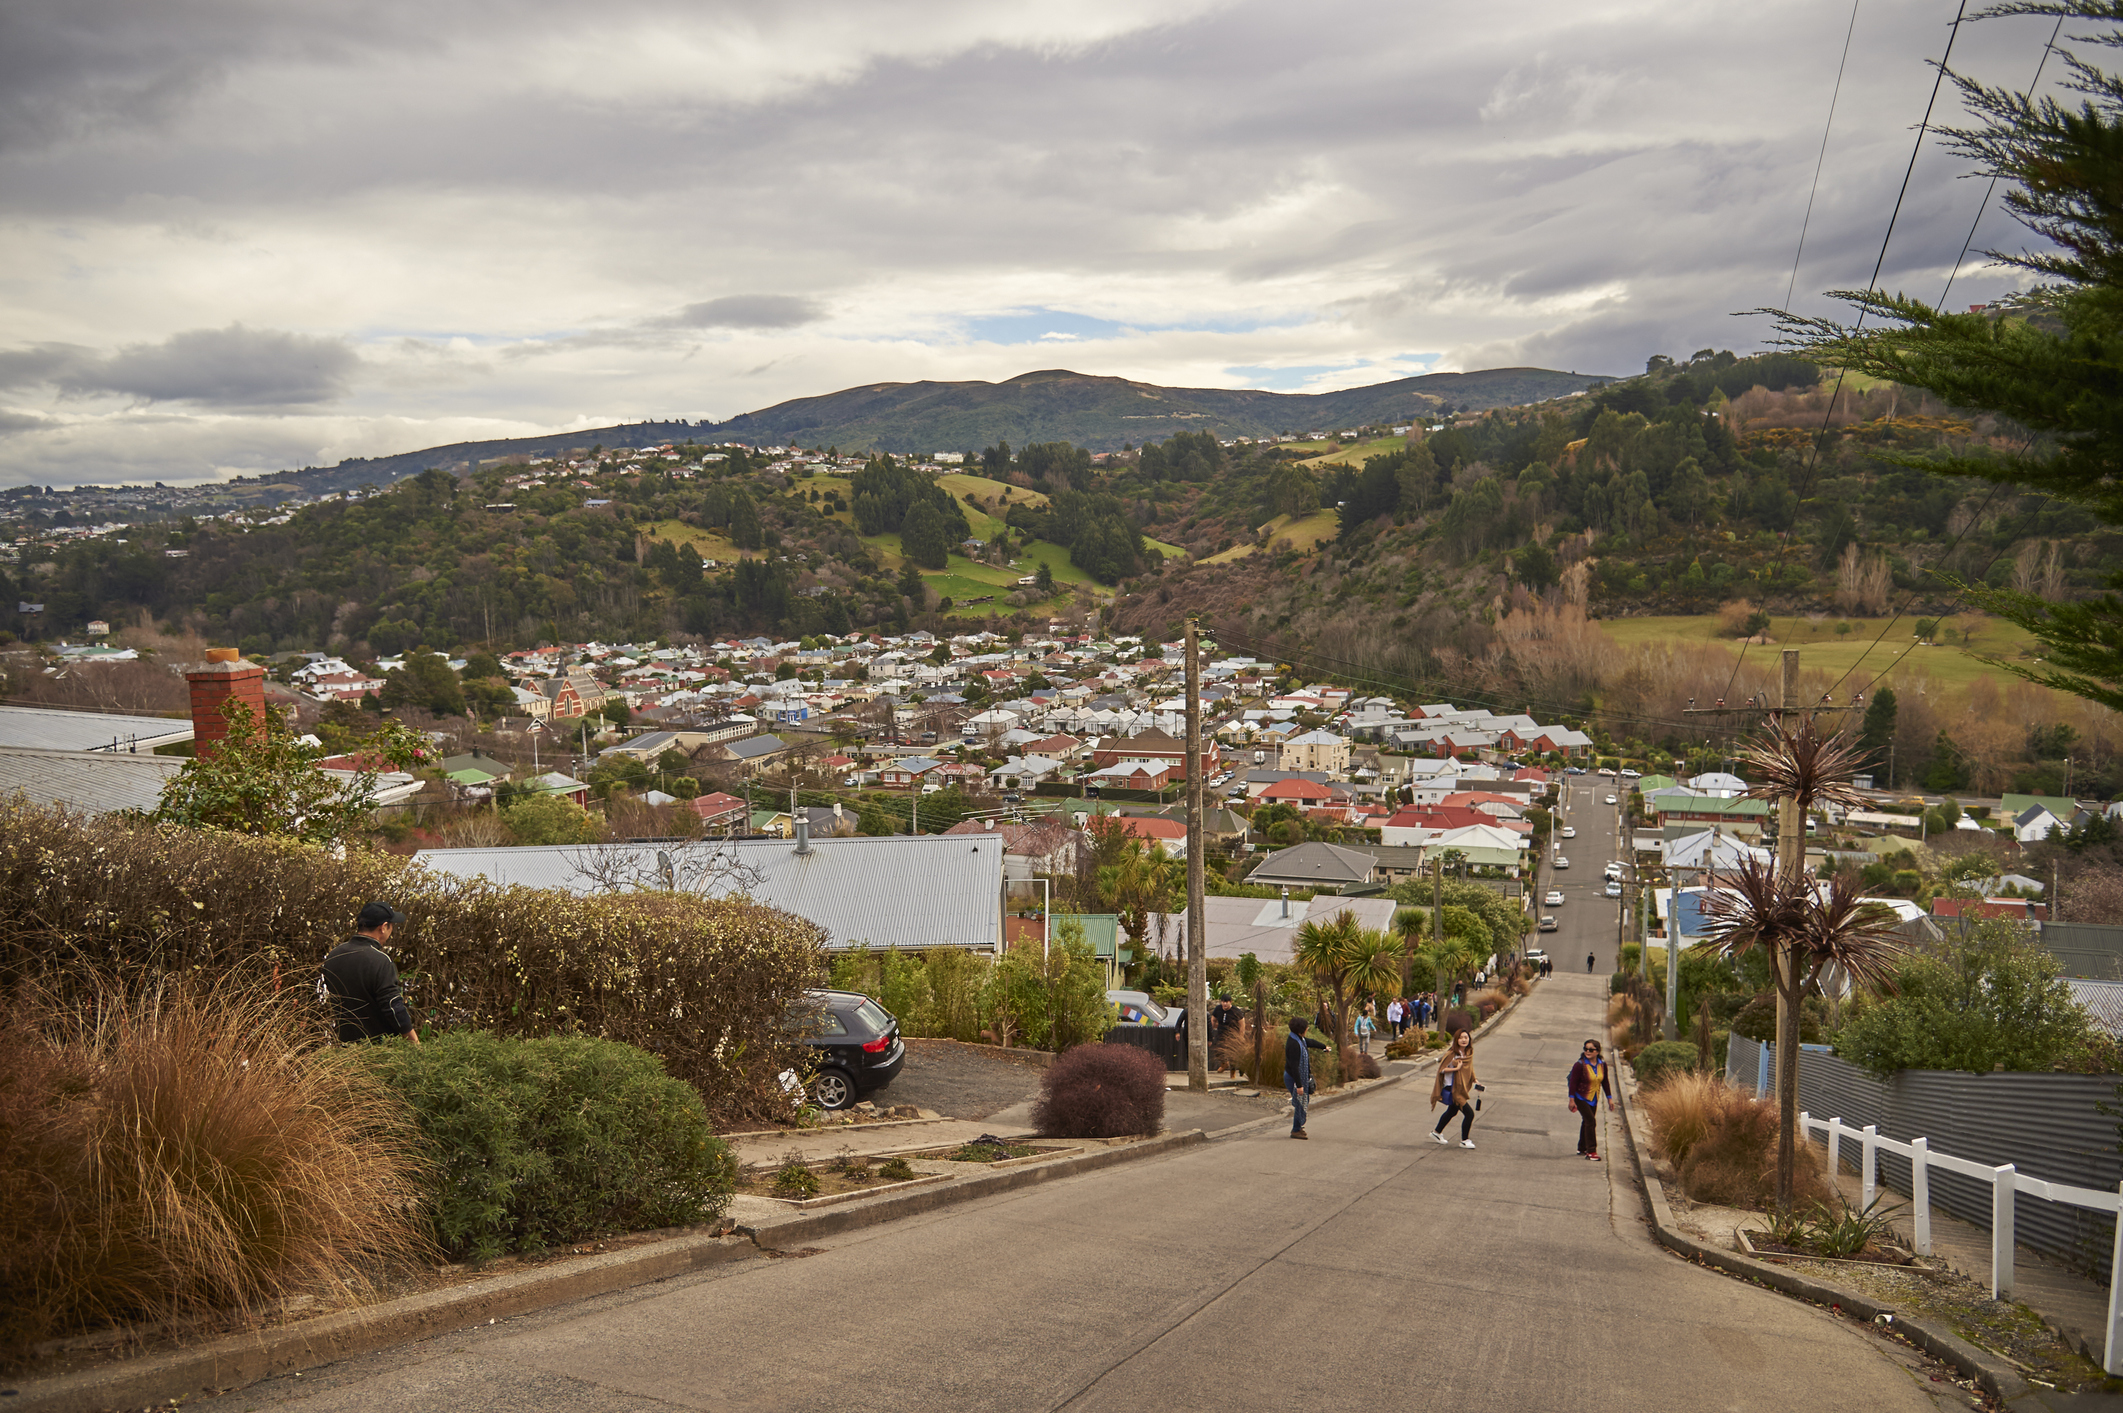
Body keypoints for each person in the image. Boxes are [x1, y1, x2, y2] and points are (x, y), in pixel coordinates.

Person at [318, 901, 420, 1045]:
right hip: (378, 1050)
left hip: (345, 1047)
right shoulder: (380, 961)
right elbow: (392, 1006)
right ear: (383, 927)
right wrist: (414, 1042)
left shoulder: (334, 955)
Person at [1430, 1029, 1479, 1148]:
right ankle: (1465, 1140)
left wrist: (1475, 1080)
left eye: (1466, 1037)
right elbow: (1441, 1069)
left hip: (1460, 1088)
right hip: (1452, 1088)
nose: (1463, 1040)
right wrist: (1455, 1069)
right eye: (1461, 1037)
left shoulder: (1468, 1053)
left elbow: (1469, 1069)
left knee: (1452, 1111)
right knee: (1469, 1114)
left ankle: (1436, 1132)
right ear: (1456, 1040)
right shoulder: (1452, 1054)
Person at [1569, 1038, 1614, 1161]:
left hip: (1594, 1097)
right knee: (1591, 1121)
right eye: (1585, 1049)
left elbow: (1605, 1082)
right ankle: (1591, 1151)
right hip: (1580, 1097)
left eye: (1591, 1049)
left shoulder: (1602, 1065)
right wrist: (1572, 1099)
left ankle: (1582, 1147)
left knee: (1587, 1121)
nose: (1587, 1051)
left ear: (1597, 1051)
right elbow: (1573, 1083)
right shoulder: (1579, 1065)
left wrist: (1609, 1098)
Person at [1285, 1016, 1318, 1139]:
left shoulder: (1299, 1039)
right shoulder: (1294, 1044)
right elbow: (1294, 1067)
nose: (1307, 1029)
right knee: (1300, 1103)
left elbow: (1309, 1042)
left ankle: (1298, 1127)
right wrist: (1299, 1085)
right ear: (1300, 1030)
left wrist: (1323, 1047)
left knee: (1302, 1102)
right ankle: (1295, 1130)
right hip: (1293, 1077)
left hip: (1297, 1076)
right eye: (1306, 1028)